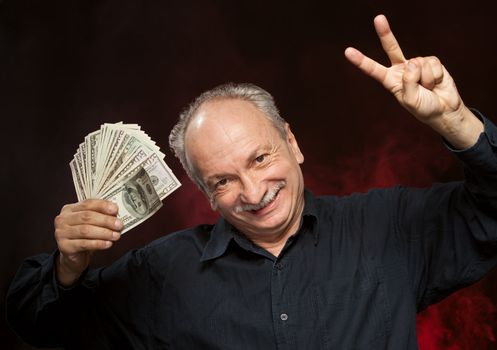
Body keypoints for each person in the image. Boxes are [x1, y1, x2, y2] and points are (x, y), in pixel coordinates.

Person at [6, 15, 497, 349]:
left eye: (260, 158)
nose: (254, 191)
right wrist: (68, 264)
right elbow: (41, 324)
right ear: (204, 193)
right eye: (223, 180)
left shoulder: (391, 227)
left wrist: (454, 119)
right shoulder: (161, 274)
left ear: (292, 143)